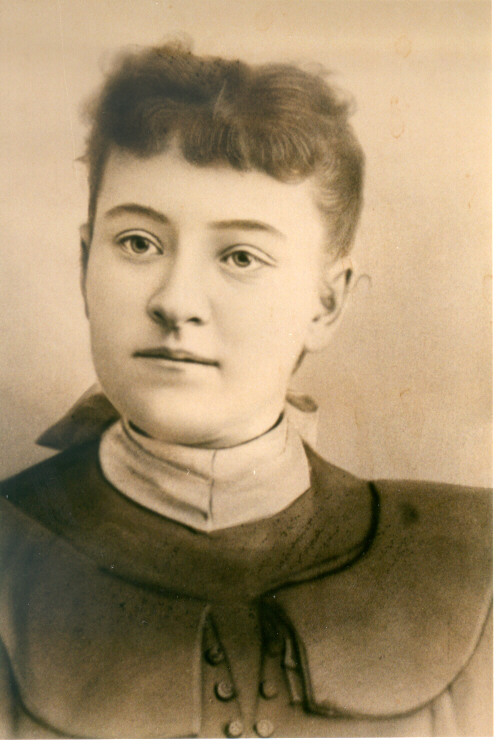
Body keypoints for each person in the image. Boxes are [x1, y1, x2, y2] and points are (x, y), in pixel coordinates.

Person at [0, 43, 491, 738]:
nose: (175, 301)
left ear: (327, 303)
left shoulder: (472, 558)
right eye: (138, 243)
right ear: (85, 265)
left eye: (239, 256)